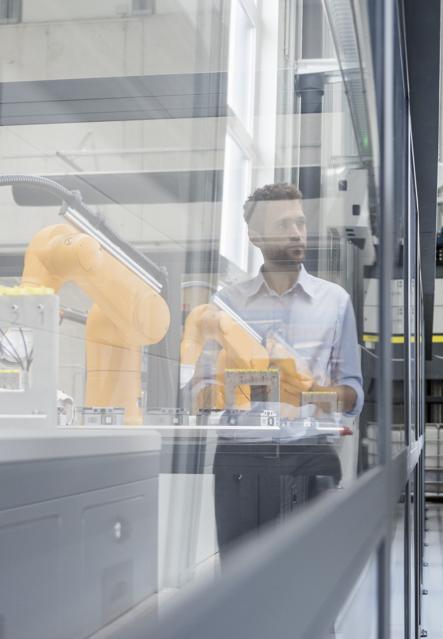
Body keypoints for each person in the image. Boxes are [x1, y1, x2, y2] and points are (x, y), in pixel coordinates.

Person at [189, 182, 364, 558]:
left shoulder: (335, 302)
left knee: (312, 577)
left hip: (311, 454)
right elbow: (201, 390)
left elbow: (352, 394)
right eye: (284, 224)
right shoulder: (226, 305)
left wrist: (307, 392)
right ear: (255, 236)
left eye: (300, 222)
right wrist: (245, 386)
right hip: (241, 460)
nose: (297, 232)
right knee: (240, 576)